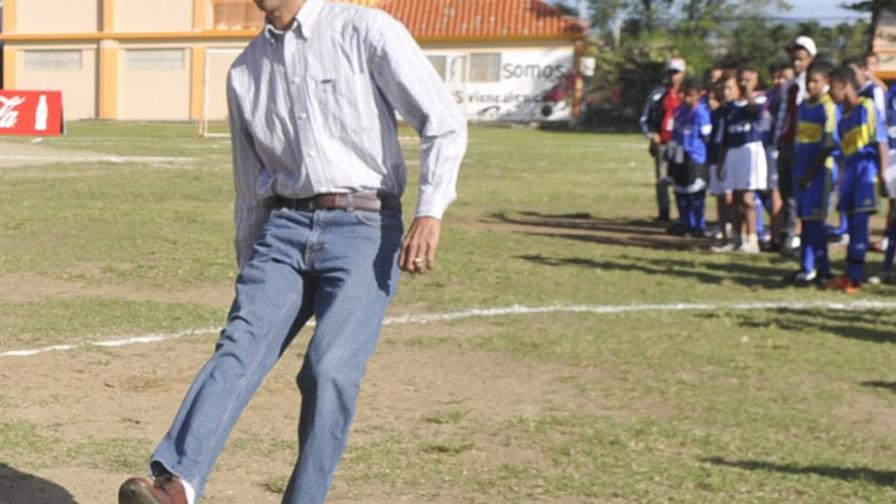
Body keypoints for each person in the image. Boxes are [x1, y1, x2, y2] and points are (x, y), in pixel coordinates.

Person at [116, 0, 467, 503]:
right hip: (281, 228)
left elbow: (444, 121)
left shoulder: (363, 30)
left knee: (329, 369)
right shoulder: (245, 72)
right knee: (238, 348)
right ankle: (176, 484)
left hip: (365, 226)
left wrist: (429, 212)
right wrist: (250, 267)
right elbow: (248, 186)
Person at [826, 65, 888, 294]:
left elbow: (879, 140)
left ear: (844, 86)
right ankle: (849, 273)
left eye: (832, 87)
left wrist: (882, 174)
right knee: (851, 224)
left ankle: (857, 278)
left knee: (861, 224)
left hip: (866, 172)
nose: (830, 93)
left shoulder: (866, 107)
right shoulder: (843, 118)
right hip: (849, 174)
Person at [788, 61, 839, 285]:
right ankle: (806, 268)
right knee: (806, 221)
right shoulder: (803, 106)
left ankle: (824, 269)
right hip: (801, 170)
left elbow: (827, 145)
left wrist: (809, 173)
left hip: (819, 173)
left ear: (826, 82)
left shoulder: (828, 107)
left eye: (816, 81)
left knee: (816, 222)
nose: (811, 85)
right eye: (808, 81)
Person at [713, 69, 768, 254]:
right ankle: (737, 238)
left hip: (750, 150)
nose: (744, 84)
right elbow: (725, 139)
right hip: (733, 152)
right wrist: (721, 162)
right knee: (734, 198)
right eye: (741, 81)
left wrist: (750, 92)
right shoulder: (729, 107)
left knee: (747, 198)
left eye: (748, 80)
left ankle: (752, 239)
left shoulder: (758, 100)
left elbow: (755, 111)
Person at [776, 36, 817, 254]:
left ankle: (800, 235)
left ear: (810, 58)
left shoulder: (813, 86)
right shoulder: (790, 85)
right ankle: (789, 233)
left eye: (801, 58)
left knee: (799, 190)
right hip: (786, 141)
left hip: (802, 144)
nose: (796, 63)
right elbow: (783, 115)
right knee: (786, 191)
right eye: (794, 59)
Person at [641, 57, 686, 222]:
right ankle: (664, 212)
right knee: (661, 179)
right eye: (670, 72)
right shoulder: (658, 94)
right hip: (663, 142)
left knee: (682, 179)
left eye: (676, 72)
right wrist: (652, 135)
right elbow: (645, 118)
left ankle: (685, 214)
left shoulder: (688, 95)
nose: (673, 76)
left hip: (682, 144)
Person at [668, 77, 712, 236]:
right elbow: (674, 134)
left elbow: (707, 137)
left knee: (695, 194)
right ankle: (685, 222)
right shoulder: (679, 112)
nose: (686, 98)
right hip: (680, 156)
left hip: (696, 158)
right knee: (680, 192)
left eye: (690, 94)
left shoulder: (701, 113)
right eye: (683, 94)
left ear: (698, 95)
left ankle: (698, 226)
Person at [761, 60, 795, 251]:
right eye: (776, 76)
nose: (779, 81)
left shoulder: (793, 93)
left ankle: (781, 236)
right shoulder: (772, 96)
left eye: (784, 77)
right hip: (773, 146)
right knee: (775, 191)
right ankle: (778, 234)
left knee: (780, 193)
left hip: (784, 148)